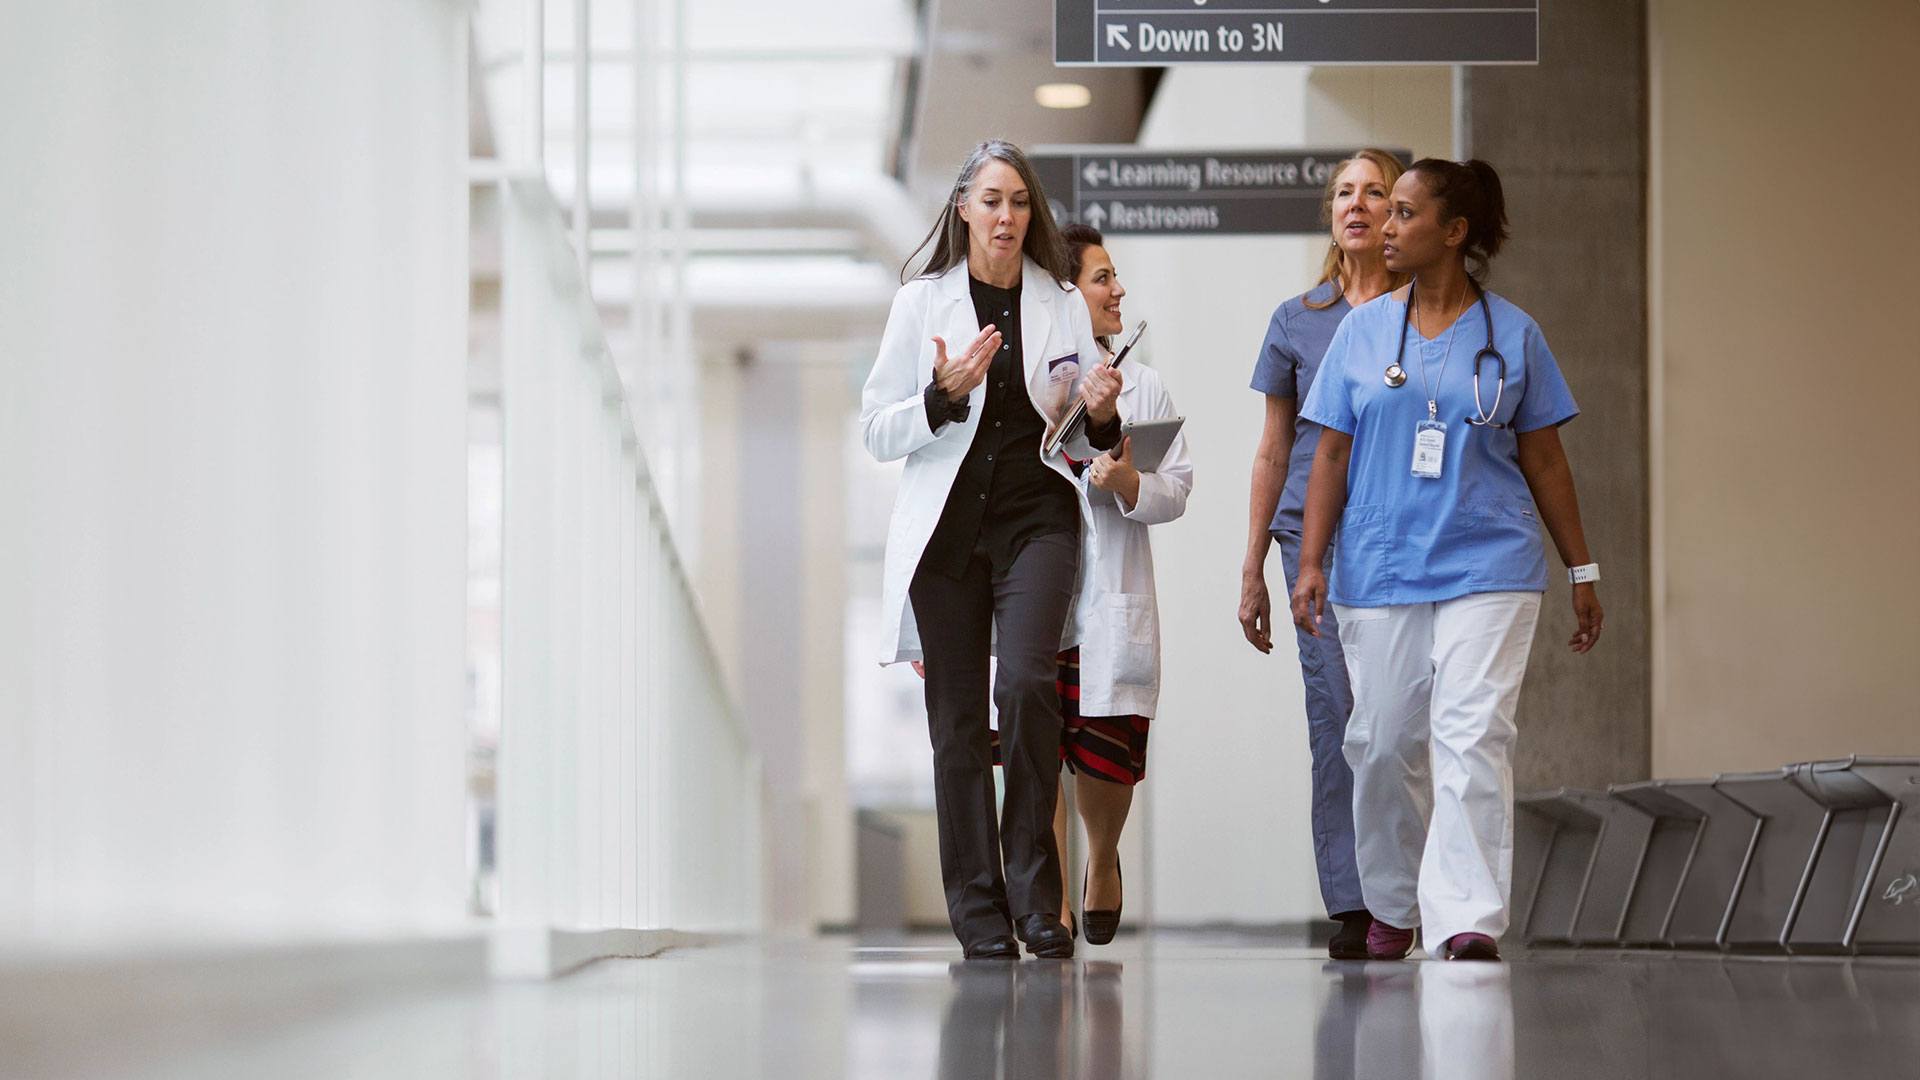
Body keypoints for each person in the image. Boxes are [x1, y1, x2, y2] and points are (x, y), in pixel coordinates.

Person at [1290, 158, 1604, 962]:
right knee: (1385, 742)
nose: (1385, 227)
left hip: (1489, 563)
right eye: (1385, 213)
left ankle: (1466, 916)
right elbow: (1328, 455)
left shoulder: (1515, 334)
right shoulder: (1362, 332)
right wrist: (1311, 562)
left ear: (1454, 232)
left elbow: (1545, 460)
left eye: (1403, 213)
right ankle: (1393, 904)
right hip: (1383, 563)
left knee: (1473, 736)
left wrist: (1582, 569)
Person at [860, 139, 1123, 961]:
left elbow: (1086, 436)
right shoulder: (920, 305)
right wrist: (939, 399)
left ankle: (1037, 900)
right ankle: (978, 910)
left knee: (1028, 688)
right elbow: (876, 428)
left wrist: (1105, 415)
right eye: (991, 200)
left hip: (1036, 521)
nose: (1006, 216)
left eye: (1019, 202)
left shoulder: (1061, 304)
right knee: (958, 723)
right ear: (964, 209)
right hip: (946, 537)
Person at [1240, 149, 1408, 960]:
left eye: (1375, 193)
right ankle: (1353, 900)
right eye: (1344, 192)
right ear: (1329, 214)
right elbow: (1273, 447)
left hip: (1401, 534)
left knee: (1396, 719)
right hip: (1307, 534)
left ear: (1397, 215)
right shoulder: (1296, 319)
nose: (1358, 204)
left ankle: (1403, 891)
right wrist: (1250, 565)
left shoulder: (1425, 315)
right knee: (1335, 715)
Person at [1043, 223, 1191, 944]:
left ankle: (1101, 859)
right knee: (1032, 749)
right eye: (1103, 278)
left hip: (1109, 597)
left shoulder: (1146, 384)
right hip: (1039, 594)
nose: (1118, 290)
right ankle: (1051, 902)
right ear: (1065, 292)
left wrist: (1132, 480)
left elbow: (1179, 486)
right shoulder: (1029, 377)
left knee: (1105, 749)